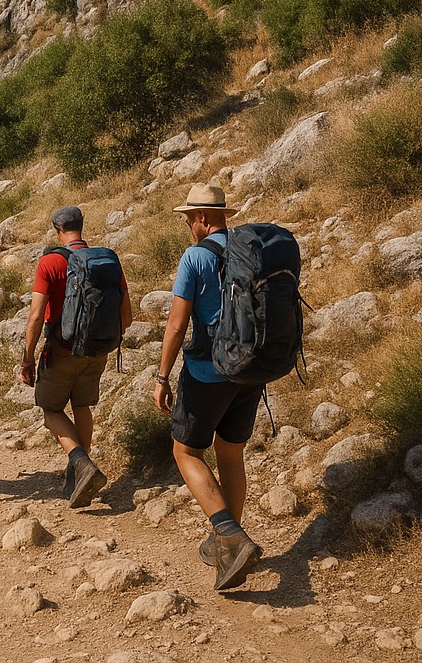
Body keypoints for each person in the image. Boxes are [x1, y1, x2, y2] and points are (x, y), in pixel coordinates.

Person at [154, 183, 264, 591]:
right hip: (252, 370)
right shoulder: (250, 249)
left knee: (185, 452)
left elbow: (177, 325)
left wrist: (162, 376)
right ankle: (228, 545)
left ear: (202, 218)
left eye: (188, 219)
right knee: (231, 455)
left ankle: (230, 536)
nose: (188, 226)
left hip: (208, 372)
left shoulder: (196, 256)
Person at [20, 205, 131, 508]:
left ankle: (82, 464)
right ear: (82, 226)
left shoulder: (50, 262)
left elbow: (34, 317)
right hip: (98, 350)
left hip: (61, 351)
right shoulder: (106, 260)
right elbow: (128, 315)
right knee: (82, 406)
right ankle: (79, 476)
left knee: (51, 410)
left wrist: (27, 358)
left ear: (57, 229)